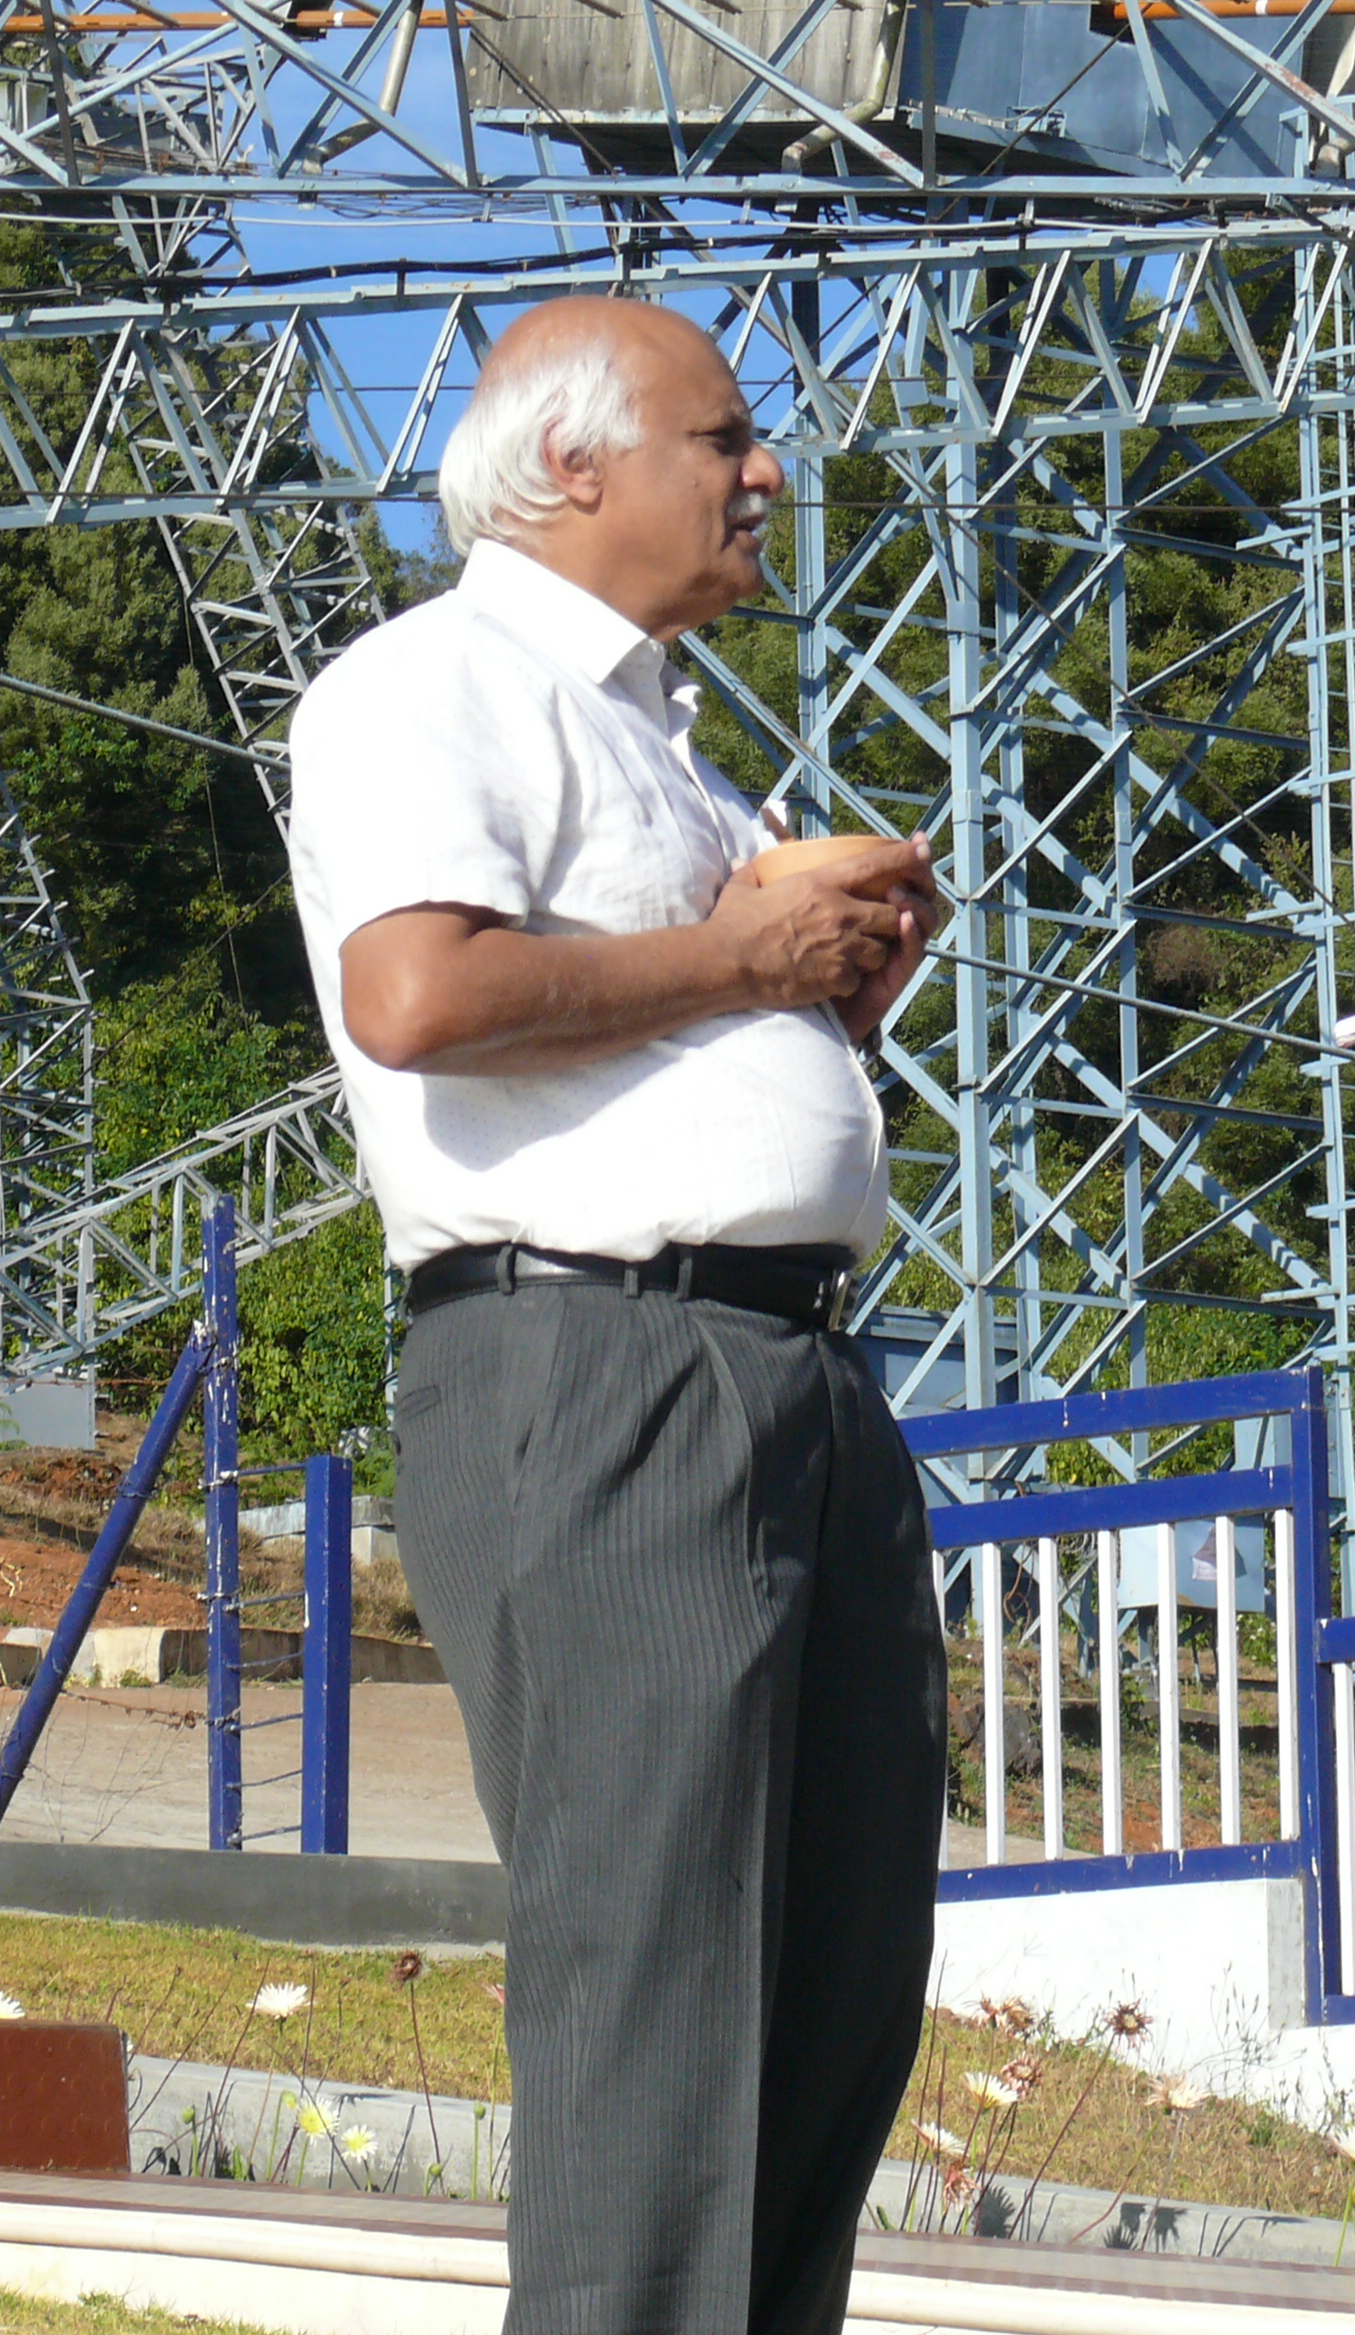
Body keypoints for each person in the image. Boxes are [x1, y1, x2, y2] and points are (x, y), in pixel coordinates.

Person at [285, 293, 948, 2335]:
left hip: (787, 1370)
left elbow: (663, 998)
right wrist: (749, 960)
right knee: (662, 2002)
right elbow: (421, 998)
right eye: (723, 439)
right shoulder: (430, 683)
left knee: (826, 1999)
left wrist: (821, 965)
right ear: (567, 467)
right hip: (601, 1361)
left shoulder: (654, 735)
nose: (768, 477)